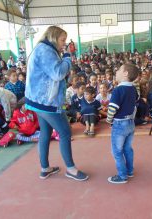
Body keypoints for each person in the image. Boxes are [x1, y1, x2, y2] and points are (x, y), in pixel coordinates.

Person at [25, 25, 88, 181]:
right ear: (53, 37)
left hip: (38, 101)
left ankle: (45, 169)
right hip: (46, 102)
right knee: (65, 132)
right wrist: (67, 57)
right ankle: (71, 169)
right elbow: (58, 73)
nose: (64, 43)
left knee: (45, 133)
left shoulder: (43, 48)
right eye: (62, 40)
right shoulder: (45, 51)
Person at [106, 64, 139, 184]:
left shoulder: (118, 90)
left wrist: (109, 120)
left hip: (120, 124)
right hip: (130, 122)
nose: (116, 70)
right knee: (127, 148)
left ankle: (122, 176)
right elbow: (137, 99)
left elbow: (112, 108)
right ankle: (130, 170)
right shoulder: (133, 88)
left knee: (117, 151)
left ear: (126, 74)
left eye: (119, 69)